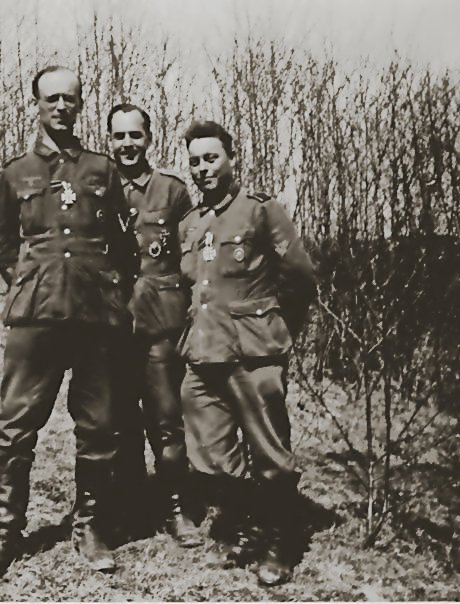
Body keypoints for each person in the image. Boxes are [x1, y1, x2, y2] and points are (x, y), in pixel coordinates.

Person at [0, 66, 137, 583]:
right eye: (51, 98)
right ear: (36, 104)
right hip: (36, 317)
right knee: (15, 426)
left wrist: (104, 287)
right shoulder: (17, 171)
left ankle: (90, 528)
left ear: (80, 105)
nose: (61, 106)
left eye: (70, 99)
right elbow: (1, 242)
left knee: (99, 427)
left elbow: (124, 247)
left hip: (94, 315)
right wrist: (31, 280)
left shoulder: (103, 170)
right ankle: (4, 537)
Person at [177, 120, 316, 586]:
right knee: (208, 448)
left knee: (269, 450)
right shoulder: (192, 224)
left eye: (211, 158)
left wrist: (274, 331)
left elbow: (300, 277)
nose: (202, 168)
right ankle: (252, 518)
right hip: (204, 351)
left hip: (254, 354)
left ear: (232, 159)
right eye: (195, 161)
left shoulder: (260, 211)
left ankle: (281, 539)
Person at [106, 103, 201, 546]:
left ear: (149, 138)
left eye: (135, 135)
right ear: (110, 139)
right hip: (112, 325)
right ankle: (128, 509)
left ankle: (176, 510)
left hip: (160, 324)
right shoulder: (99, 186)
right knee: (119, 421)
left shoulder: (172, 191)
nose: (127, 144)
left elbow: (187, 259)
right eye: (119, 136)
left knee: (166, 420)